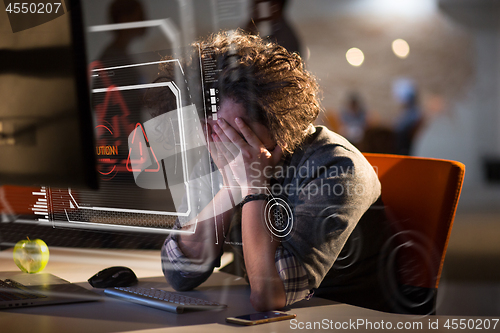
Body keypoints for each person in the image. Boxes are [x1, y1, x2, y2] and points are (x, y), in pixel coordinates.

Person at [158, 30, 395, 312]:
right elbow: (180, 273)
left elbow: (268, 295)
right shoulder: (221, 148)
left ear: (278, 121)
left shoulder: (337, 168)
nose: (219, 140)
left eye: (237, 131)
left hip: (347, 317)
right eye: (211, 127)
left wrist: (255, 187)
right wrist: (232, 187)